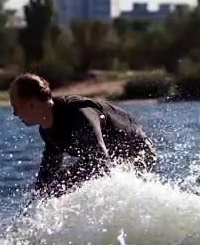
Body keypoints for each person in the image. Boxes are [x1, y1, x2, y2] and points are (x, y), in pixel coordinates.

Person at [9, 73, 156, 198]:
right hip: (114, 162)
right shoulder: (47, 131)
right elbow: (45, 181)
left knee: (62, 184)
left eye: (15, 105)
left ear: (31, 104)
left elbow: (100, 162)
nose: (14, 113)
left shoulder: (79, 115)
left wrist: (64, 183)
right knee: (51, 185)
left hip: (139, 155)